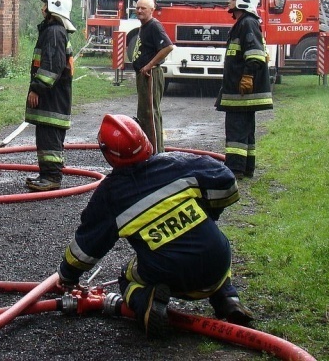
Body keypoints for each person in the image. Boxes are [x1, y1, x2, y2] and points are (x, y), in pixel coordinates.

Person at [57, 114, 254, 338]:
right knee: (213, 245)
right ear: (146, 141)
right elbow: (227, 182)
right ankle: (228, 299)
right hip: (216, 261)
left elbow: (85, 249)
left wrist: (67, 277)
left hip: (173, 274)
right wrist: (209, 213)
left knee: (127, 276)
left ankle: (146, 304)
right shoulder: (178, 163)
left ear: (107, 155)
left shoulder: (109, 197)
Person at [215, 0, 273, 178]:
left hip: (241, 92)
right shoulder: (245, 23)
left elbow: (255, 55)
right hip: (239, 92)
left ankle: (235, 169)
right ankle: (246, 167)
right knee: (246, 131)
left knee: (236, 130)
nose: (228, 1)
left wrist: (247, 76)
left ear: (243, 0)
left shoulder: (247, 23)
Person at [24, 0, 76, 192]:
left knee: (49, 139)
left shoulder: (54, 32)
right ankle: (47, 175)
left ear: (54, 7)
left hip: (51, 98)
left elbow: (51, 66)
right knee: (46, 138)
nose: (42, 8)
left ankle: (52, 178)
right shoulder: (53, 31)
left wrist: (37, 89)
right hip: (53, 98)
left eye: (45, 5)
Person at [131, 0, 174, 154]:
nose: (140, 11)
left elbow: (168, 47)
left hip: (151, 75)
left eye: (143, 8)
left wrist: (149, 65)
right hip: (143, 75)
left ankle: (156, 153)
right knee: (143, 113)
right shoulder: (144, 26)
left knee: (150, 113)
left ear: (152, 10)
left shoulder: (154, 25)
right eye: (138, 8)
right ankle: (148, 150)